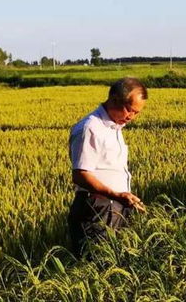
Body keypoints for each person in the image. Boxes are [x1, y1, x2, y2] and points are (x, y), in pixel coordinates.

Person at [67, 77, 147, 258]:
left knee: (116, 261)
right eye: (129, 110)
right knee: (97, 263)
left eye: (136, 113)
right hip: (97, 209)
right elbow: (80, 175)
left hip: (115, 206)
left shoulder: (114, 129)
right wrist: (116, 195)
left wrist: (122, 197)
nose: (131, 117)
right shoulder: (90, 128)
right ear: (114, 99)